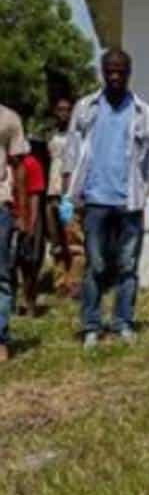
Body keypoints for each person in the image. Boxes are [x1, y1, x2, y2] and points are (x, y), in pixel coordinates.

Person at [61, 48, 149, 350]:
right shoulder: (86, 108)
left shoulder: (144, 113)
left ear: (129, 73)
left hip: (130, 203)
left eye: (120, 71)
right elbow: (71, 155)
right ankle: (91, 326)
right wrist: (67, 197)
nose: (115, 76)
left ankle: (123, 322)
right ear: (102, 71)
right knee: (95, 266)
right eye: (110, 71)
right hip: (95, 201)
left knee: (127, 266)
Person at [0, 103, 31, 361]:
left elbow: (19, 166)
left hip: (0, 205)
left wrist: (22, 212)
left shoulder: (9, 118)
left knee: (0, 274)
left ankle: (0, 339)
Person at [46, 96, 82, 298]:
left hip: (70, 195)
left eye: (68, 110)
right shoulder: (50, 136)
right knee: (57, 244)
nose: (64, 114)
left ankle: (74, 284)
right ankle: (60, 283)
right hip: (52, 193)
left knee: (74, 242)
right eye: (60, 109)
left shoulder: (78, 137)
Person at [12, 143, 47, 317]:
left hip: (27, 215)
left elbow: (35, 197)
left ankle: (30, 302)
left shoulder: (31, 164)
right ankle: (9, 304)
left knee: (30, 263)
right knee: (9, 264)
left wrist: (30, 224)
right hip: (9, 216)